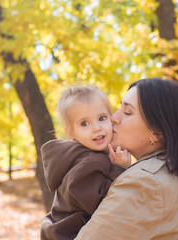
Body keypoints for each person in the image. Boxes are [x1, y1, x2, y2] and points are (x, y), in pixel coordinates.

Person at [75, 78, 178, 239]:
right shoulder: (177, 172)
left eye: (127, 112)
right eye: (119, 108)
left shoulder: (145, 182)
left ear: (156, 133)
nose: (113, 117)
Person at [40, 85, 131, 240]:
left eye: (102, 118)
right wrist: (119, 169)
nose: (97, 128)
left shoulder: (86, 156)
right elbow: (104, 206)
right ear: (70, 132)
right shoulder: (88, 163)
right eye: (84, 123)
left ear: (111, 118)